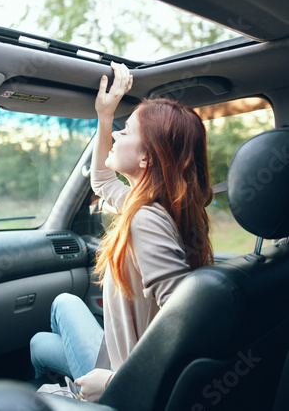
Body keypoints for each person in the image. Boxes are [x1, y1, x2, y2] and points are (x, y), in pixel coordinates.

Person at [30, 61, 214, 402]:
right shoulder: (153, 204)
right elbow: (100, 180)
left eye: (125, 131)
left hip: (130, 381)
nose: (116, 134)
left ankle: (68, 396)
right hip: (118, 357)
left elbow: (188, 325)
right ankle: (67, 388)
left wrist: (114, 382)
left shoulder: (146, 219)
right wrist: (104, 115)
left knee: (55, 318)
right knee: (44, 338)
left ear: (147, 157)